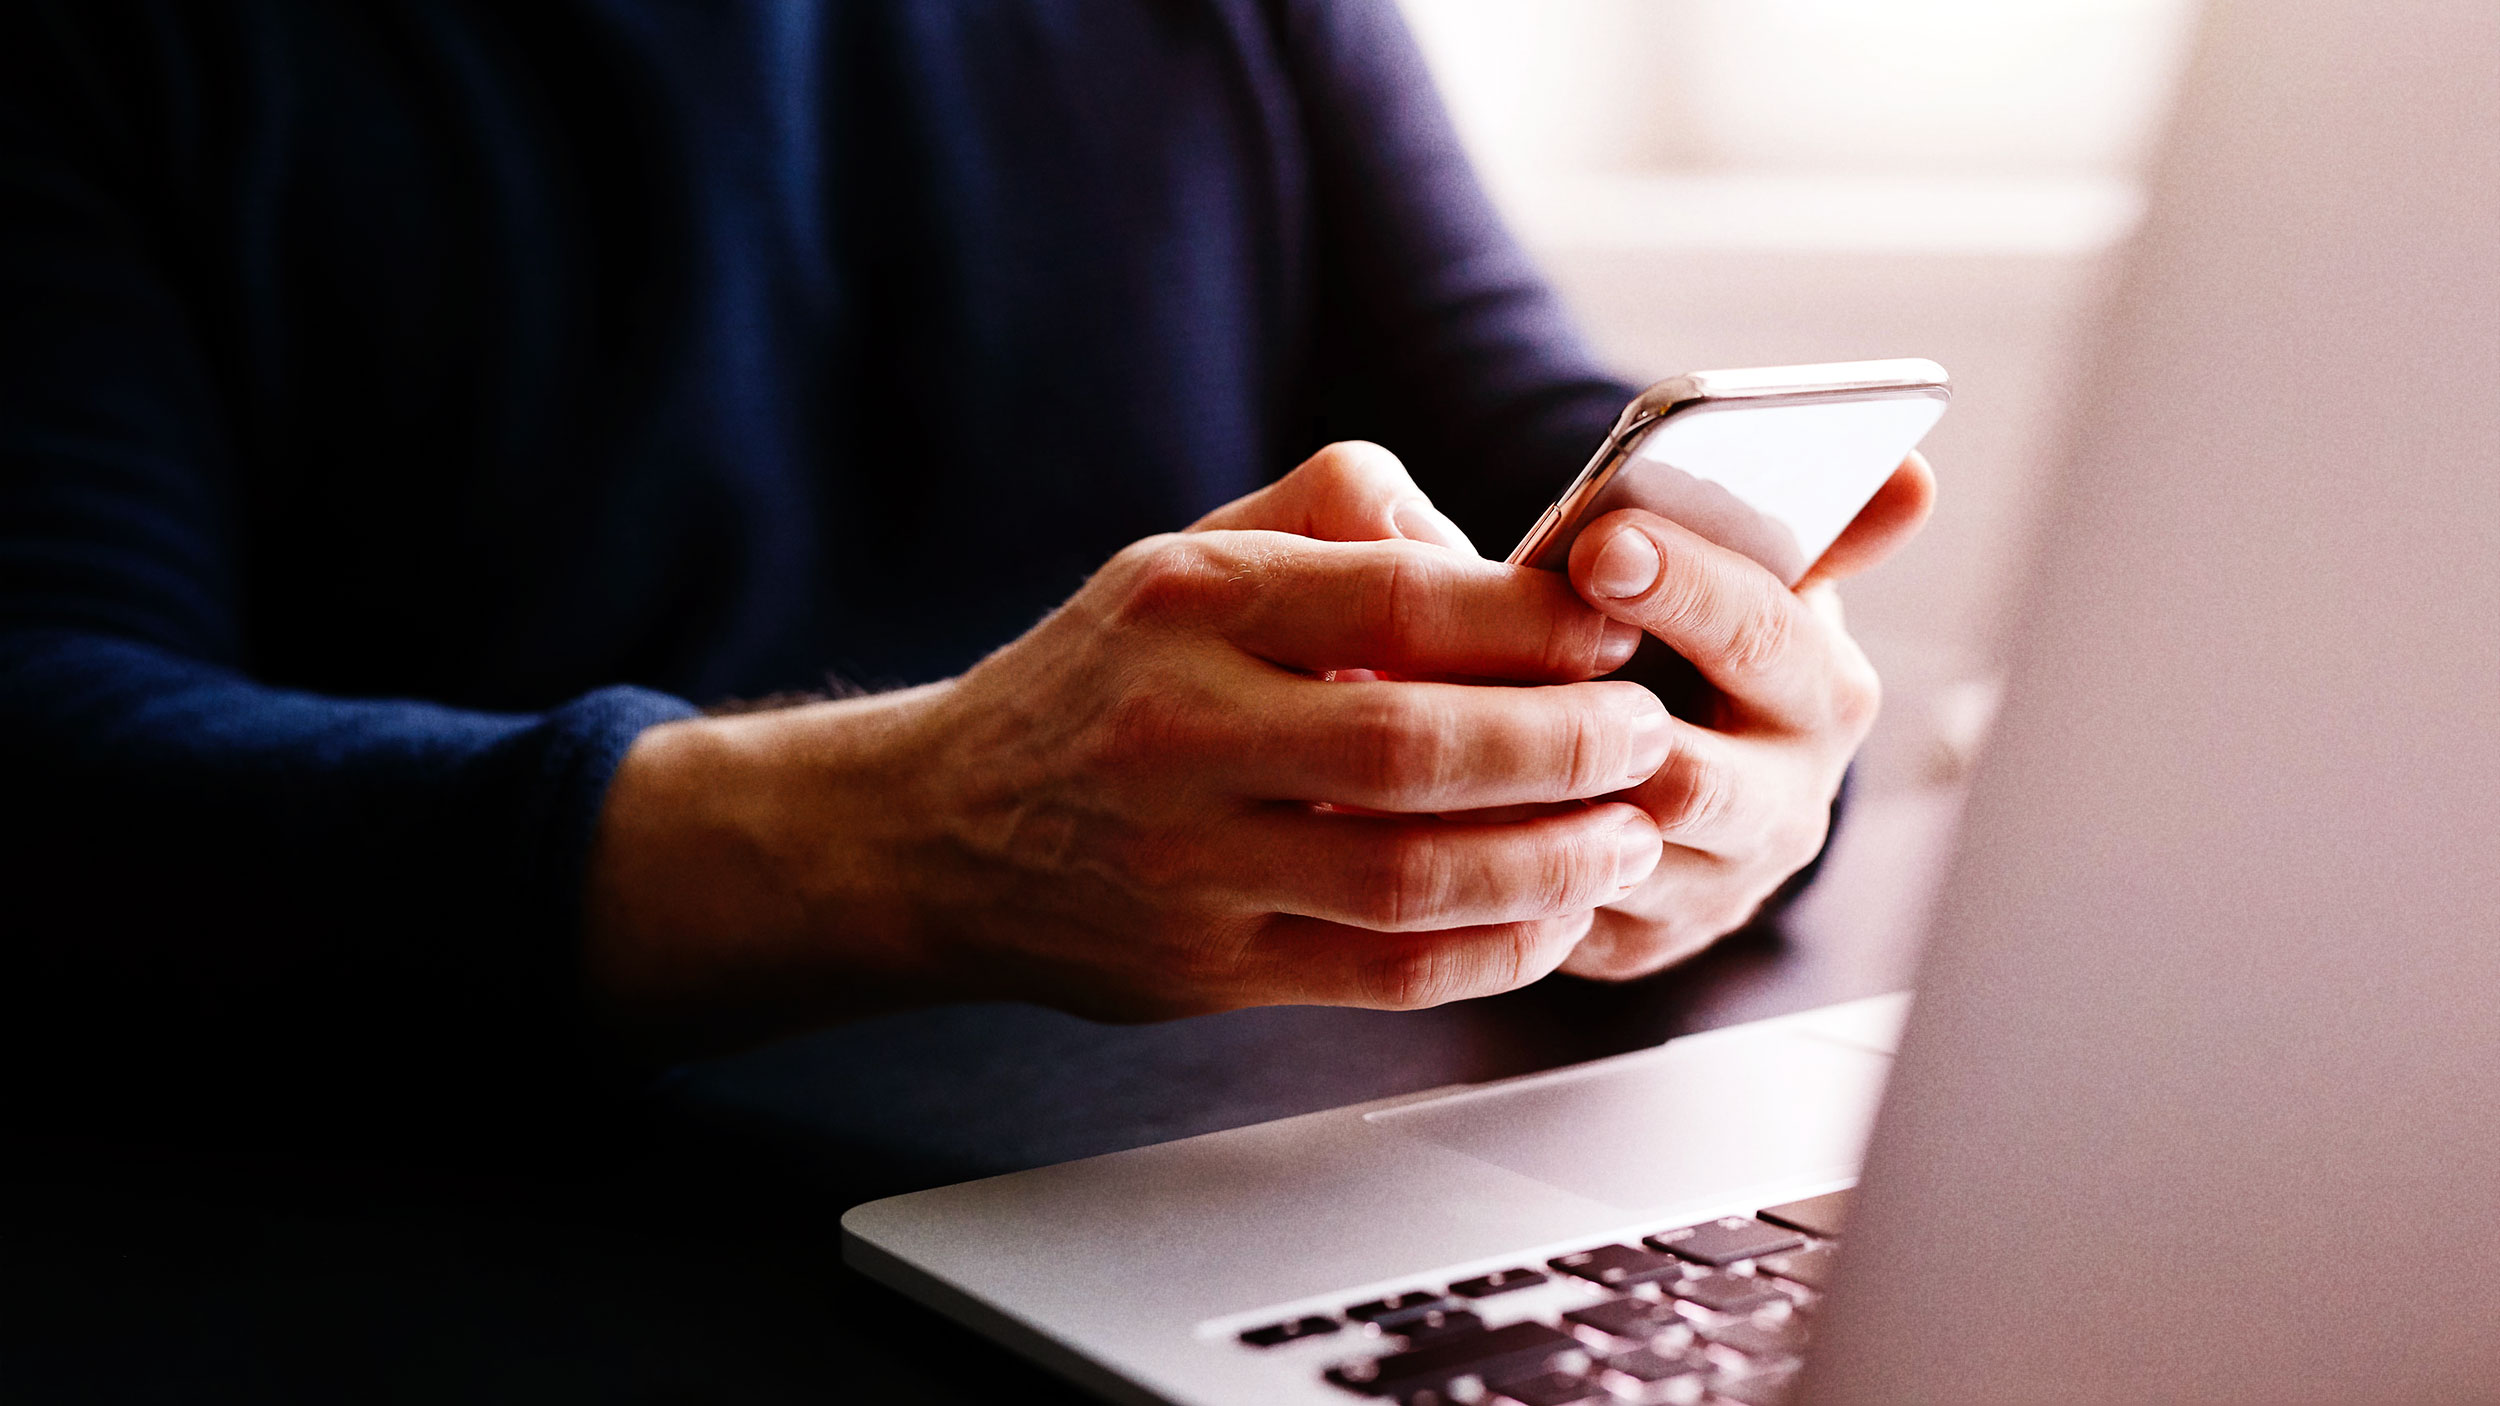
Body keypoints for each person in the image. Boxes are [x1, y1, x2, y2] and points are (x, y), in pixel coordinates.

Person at [0, 1, 1931, 1125]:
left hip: (1224, 1159)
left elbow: (1511, 413)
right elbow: (59, 762)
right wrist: (901, 839)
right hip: (430, 1209)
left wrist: (1720, 722)